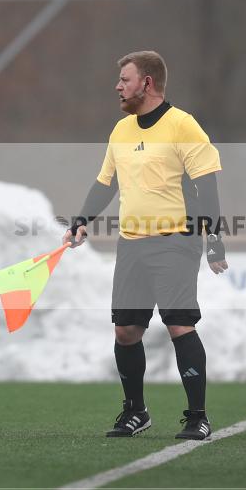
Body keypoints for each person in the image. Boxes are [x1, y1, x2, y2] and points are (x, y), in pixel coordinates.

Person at [63, 50, 228, 440]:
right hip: (132, 244)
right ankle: (136, 411)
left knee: (179, 325)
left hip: (176, 242)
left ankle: (196, 416)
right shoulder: (120, 131)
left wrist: (215, 238)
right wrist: (82, 219)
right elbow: (106, 183)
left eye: (125, 79)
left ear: (147, 83)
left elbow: (207, 186)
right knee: (126, 332)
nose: (118, 86)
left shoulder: (183, 126)